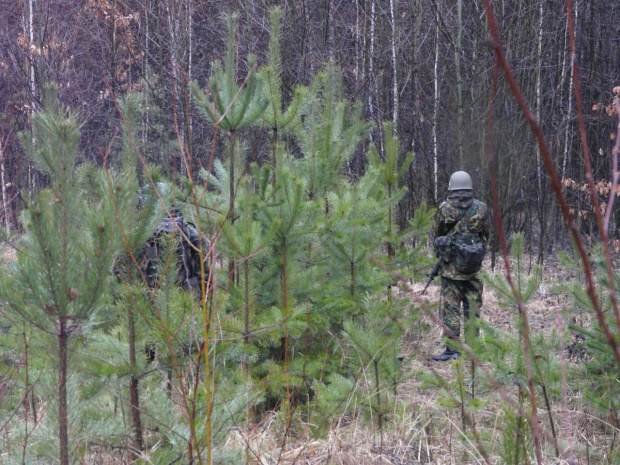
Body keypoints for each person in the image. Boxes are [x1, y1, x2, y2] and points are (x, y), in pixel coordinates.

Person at [431, 171, 490, 362]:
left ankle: (452, 350)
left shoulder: (445, 208)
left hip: (451, 270)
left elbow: (439, 235)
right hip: (474, 269)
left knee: (451, 309)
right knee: (473, 308)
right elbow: (486, 235)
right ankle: (473, 348)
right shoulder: (481, 208)